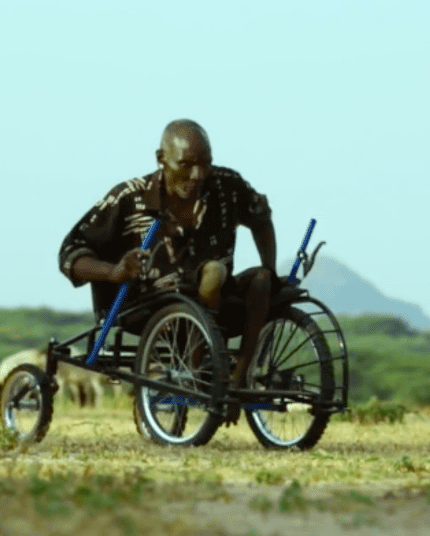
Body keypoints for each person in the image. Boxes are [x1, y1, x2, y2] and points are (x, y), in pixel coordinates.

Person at [58, 119, 277, 425]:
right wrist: (114, 272)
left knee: (262, 281)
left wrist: (270, 267)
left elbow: (260, 216)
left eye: (205, 164)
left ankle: (240, 380)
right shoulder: (130, 198)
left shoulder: (226, 186)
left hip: (215, 300)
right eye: (186, 165)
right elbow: (71, 252)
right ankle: (196, 371)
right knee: (213, 271)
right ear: (161, 159)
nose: (197, 175)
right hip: (149, 305)